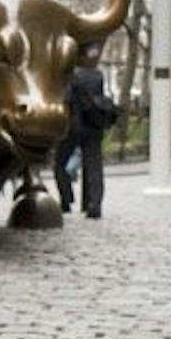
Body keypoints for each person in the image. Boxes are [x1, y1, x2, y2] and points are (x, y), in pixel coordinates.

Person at [54, 43, 117, 217]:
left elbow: (65, 99)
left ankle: (66, 200)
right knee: (94, 166)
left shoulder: (71, 76)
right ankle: (94, 204)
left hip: (73, 127)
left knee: (60, 164)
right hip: (94, 126)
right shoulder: (97, 75)